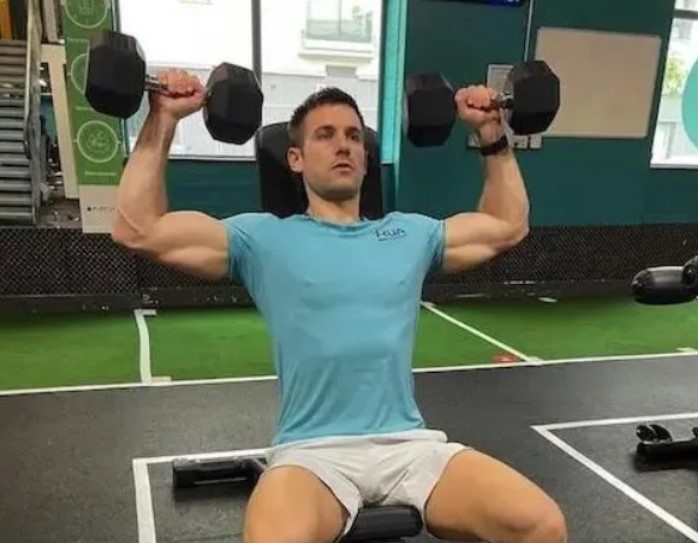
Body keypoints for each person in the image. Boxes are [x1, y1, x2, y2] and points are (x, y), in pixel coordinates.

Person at [112, 69, 567, 543]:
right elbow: (137, 227)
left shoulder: (410, 234)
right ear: (295, 158)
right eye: (325, 136)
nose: (343, 145)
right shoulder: (262, 238)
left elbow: (507, 224)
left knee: (540, 525)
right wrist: (163, 118)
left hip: (408, 447)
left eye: (353, 136)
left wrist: (491, 132)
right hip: (312, 453)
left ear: (367, 159)